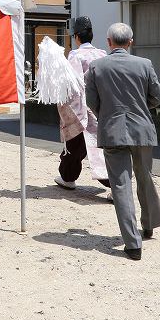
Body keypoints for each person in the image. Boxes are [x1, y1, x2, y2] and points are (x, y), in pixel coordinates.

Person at [85, 23, 160, 261]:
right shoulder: (145, 64)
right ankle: (148, 224)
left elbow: (91, 101)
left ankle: (132, 243)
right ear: (131, 41)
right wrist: (140, 108)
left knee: (120, 185)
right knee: (145, 177)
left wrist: (107, 114)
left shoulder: (96, 67)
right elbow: (157, 97)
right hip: (142, 128)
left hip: (112, 130)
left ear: (108, 42)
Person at [53, 16, 111, 197]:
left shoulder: (75, 56)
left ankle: (70, 178)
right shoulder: (102, 54)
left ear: (76, 37)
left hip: (81, 108)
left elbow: (71, 84)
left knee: (75, 146)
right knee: (101, 147)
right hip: (102, 107)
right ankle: (114, 183)